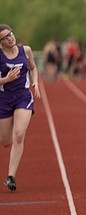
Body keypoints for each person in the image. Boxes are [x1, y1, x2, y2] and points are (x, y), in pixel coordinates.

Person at [0, 24, 41, 191]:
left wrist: (35, 81)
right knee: (6, 141)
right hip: (3, 99)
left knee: (18, 135)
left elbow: (33, 67)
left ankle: (11, 176)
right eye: (5, 37)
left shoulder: (26, 50)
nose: (10, 38)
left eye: (10, 34)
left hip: (23, 97)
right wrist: (6, 79)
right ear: (1, 42)